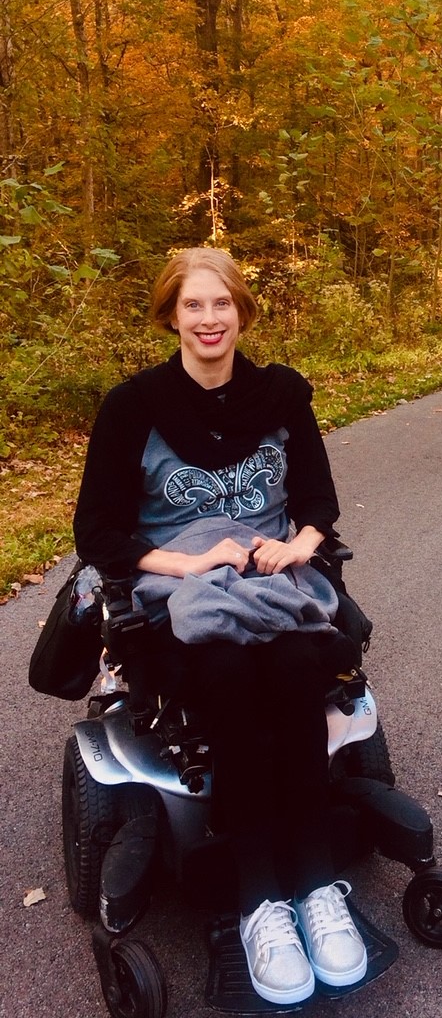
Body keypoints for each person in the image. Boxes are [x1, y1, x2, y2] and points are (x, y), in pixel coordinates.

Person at [73, 247, 368, 1005]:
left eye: (222, 305)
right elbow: (99, 534)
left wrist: (296, 545)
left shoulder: (280, 396)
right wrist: (189, 564)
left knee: (301, 670)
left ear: (242, 312)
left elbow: (317, 502)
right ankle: (260, 902)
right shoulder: (132, 407)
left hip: (274, 575)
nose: (209, 320)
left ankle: (316, 888)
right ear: (171, 314)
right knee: (228, 676)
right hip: (178, 585)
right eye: (193, 306)